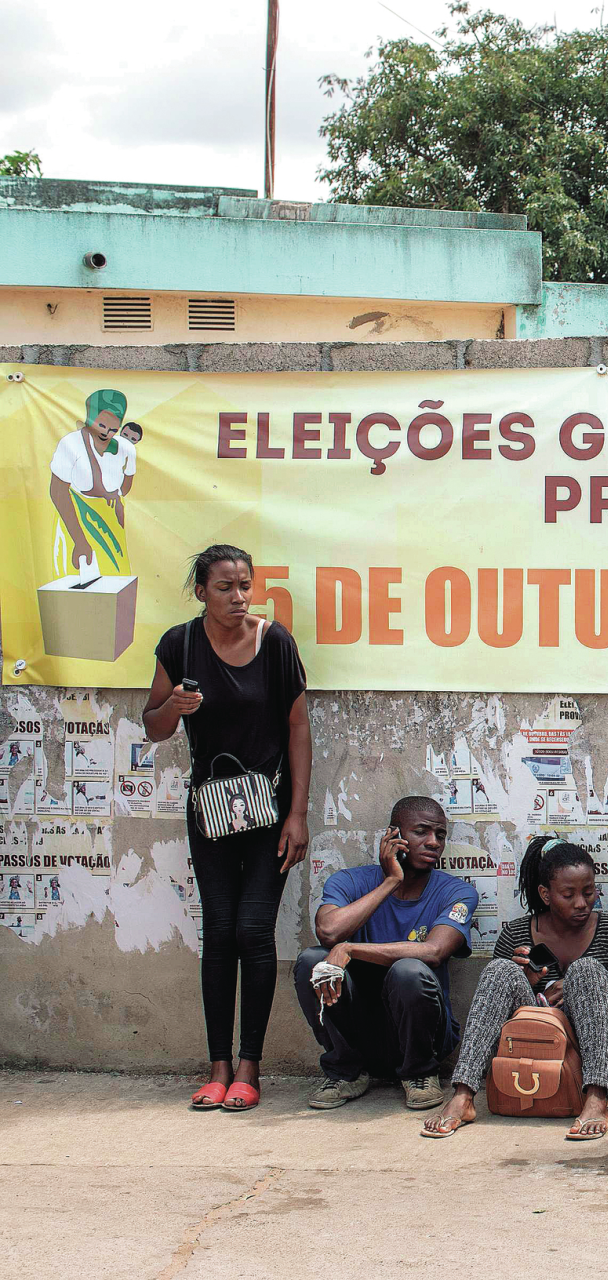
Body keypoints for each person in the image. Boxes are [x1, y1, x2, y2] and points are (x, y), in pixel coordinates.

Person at [143, 545, 311, 1113]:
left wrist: (299, 813)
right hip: (209, 810)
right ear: (200, 592)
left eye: (245, 586)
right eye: (225, 588)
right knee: (218, 931)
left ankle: (249, 1067)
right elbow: (153, 725)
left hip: (269, 810)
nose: (239, 598)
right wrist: (177, 707)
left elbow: (298, 726)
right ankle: (216, 1067)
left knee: (252, 929)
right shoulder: (179, 643)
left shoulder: (276, 643)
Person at [422, 836, 608, 1140]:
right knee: (500, 970)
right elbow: (497, 1021)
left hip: (600, 1055)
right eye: (568, 894)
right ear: (545, 894)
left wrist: (581, 990)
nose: (581, 903)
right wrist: (527, 987)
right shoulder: (516, 933)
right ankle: (463, 1096)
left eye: (588, 892)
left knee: (587, 969)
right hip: (534, 1049)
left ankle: (595, 1099)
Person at [293, 797, 479, 1111]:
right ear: (393, 836)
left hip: (422, 1037)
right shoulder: (350, 881)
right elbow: (328, 932)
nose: (433, 842)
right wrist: (391, 881)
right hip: (360, 1032)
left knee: (409, 970)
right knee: (313, 961)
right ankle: (346, 1072)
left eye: (440, 835)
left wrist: (350, 949)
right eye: (421, 831)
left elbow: (433, 952)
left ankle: (420, 1074)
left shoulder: (457, 892)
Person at [47, 388, 136, 575]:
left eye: (113, 429)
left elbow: (127, 480)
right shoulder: (71, 444)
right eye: (101, 426)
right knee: (79, 579)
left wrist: (114, 498)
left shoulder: (125, 448)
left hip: (110, 518)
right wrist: (79, 541)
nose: (106, 433)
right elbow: (58, 491)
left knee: (117, 576)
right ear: (90, 418)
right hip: (75, 516)